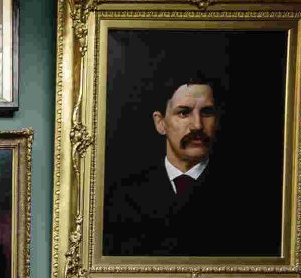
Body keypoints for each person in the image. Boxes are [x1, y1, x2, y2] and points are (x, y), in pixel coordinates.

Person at [99, 74, 279, 258]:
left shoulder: (253, 199)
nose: (198, 125)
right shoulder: (121, 198)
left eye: (207, 112)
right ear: (160, 123)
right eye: (184, 113)